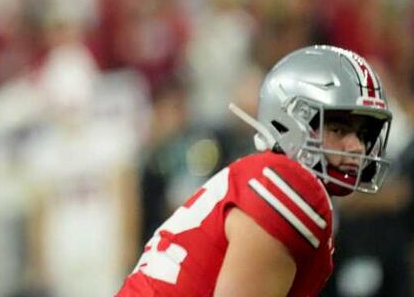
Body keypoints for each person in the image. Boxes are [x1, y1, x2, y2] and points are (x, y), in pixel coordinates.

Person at [116, 45, 394, 297]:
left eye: (362, 134)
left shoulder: (262, 175)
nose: (357, 147)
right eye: (339, 129)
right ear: (291, 121)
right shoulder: (292, 186)